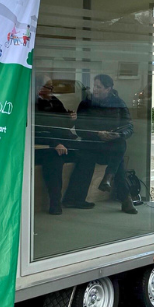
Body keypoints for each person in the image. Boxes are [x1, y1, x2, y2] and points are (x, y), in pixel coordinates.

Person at [63, 74, 137, 214]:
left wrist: (118, 134)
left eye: (99, 87)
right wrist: (97, 134)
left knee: (120, 144)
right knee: (118, 160)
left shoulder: (118, 104)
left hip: (110, 145)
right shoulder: (86, 103)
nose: (95, 89)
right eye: (94, 86)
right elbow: (79, 129)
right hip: (91, 143)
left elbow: (129, 127)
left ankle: (107, 179)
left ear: (108, 89)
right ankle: (124, 197)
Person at [34, 77, 74, 215]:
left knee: (87, 155)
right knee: (54, 160)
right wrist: (54, 143)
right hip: (43, 147)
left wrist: (71, 119)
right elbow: (34, 131)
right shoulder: (33, 104)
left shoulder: (55, 101)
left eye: (52, 87)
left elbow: (66, 124)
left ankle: (76, 198)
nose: (51, 90)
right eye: (48, 87)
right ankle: (55, 203)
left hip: (63, 141)